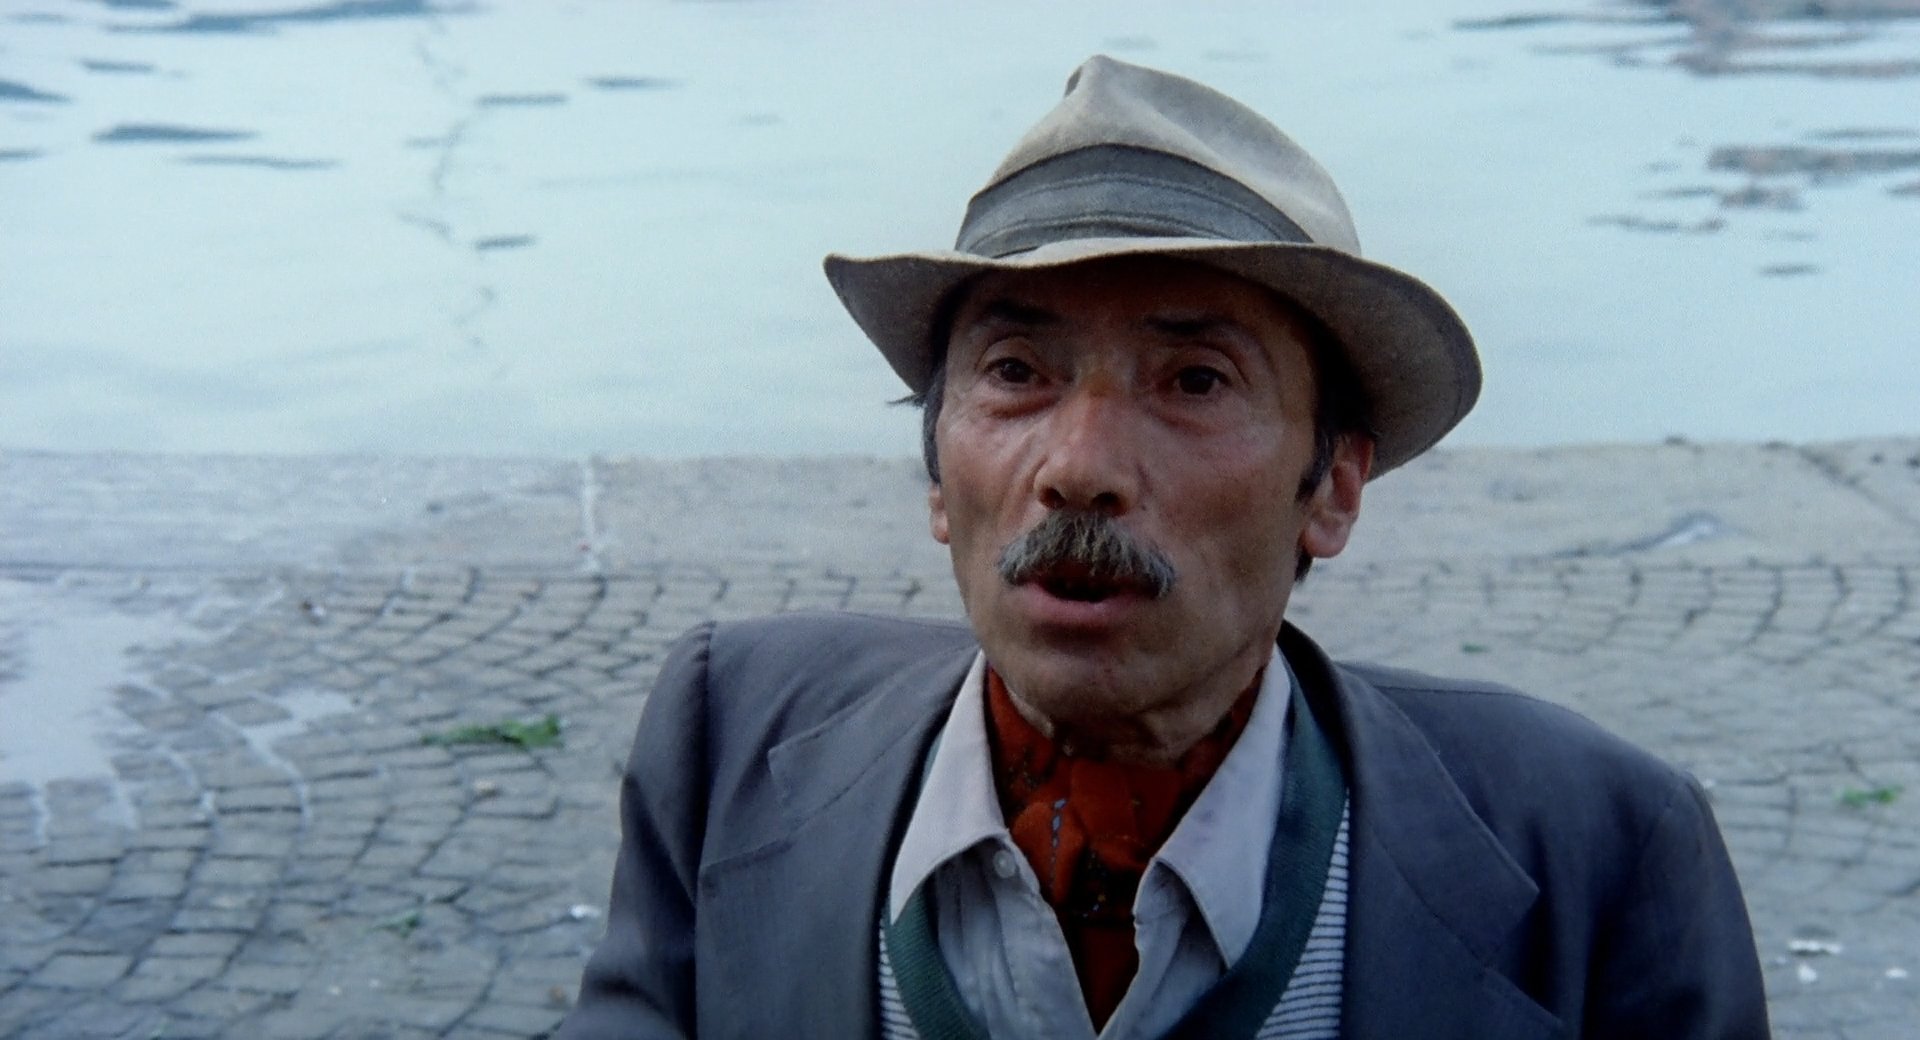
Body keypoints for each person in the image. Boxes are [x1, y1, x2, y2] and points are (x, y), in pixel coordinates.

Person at [556, 56, 1769, 1039]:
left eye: (1194, 379)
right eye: (1015, 372)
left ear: (1333, 487)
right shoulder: (731, 737)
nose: (1078, 465)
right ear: (937, 475)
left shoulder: (1599, 849)